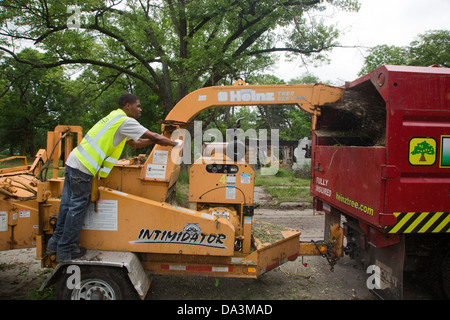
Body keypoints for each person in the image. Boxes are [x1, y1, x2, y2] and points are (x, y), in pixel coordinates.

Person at [46, 93, 182, 262]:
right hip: (84, 168)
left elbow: (134, 143)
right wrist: (175, 143)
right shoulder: (126, 121)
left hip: (73, 163)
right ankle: (66, 250)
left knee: (66, 206)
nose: (140, 109)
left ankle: (54, 243)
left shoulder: (114, 117)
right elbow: (153, 135)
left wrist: (157, 142)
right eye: (138, 106)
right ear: (128, 106)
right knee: (76, 208)